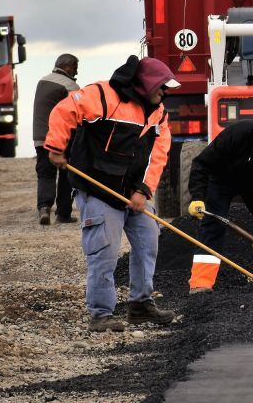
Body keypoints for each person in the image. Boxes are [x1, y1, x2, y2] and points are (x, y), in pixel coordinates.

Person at [44, 56, 178, 332]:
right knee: (104, 253)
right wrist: (56, 147)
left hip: (132, 193)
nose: (164, 93)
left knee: (148, 241)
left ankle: (140, 305)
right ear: (146, 83)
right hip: (98, 188)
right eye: (162, 87)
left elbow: (158, 155)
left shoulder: (159, 113)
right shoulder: (103, 95)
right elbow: (64, 110)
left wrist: (143, 190)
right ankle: (101, 315)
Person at [185, 118, 253, 292]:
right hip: (222, 180)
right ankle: (201, 283)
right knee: (213, 224)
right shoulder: (238, 134)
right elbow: (201, 164)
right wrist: (197, 197)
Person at [32, 54, 79, 225]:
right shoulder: (69, 85)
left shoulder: (42, 81)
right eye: (75, 67)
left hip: (40, 137)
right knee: (67, 174)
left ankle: (44, 209)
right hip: (60, 136)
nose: (76, 71)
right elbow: (78, 111)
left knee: (45, 173)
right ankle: (63, 213)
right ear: (67, 66)